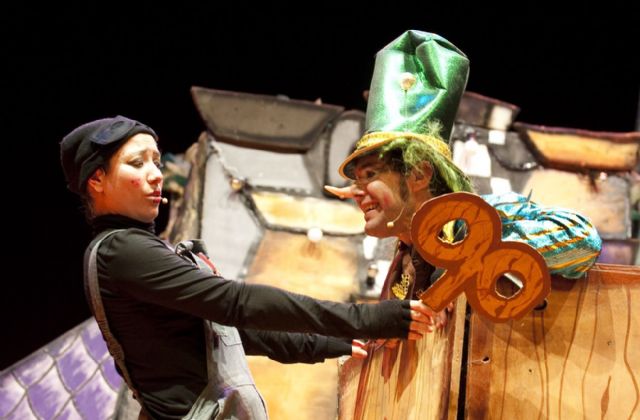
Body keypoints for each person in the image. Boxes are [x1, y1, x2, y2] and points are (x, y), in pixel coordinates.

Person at [59, 115, 440, 419]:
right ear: (97, 179)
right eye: (136, 163)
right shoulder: (121, 251)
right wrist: (366, 319)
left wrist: (340, 343)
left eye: (156, 161)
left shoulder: (136, 250)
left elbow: (238, 333)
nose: (156, 174)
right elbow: (235, 303)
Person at [326, 30, 602, 309]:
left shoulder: (479, 221)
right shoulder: (404, 262)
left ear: (418, 175)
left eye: (370, 175)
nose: (356, 192)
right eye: (357, 181)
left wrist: (477, 250)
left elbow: (583, 238)